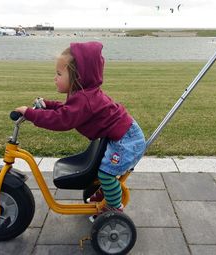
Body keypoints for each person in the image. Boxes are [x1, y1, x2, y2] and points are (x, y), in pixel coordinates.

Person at [15, 41, 146, 217]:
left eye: (59, 74)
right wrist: (48, 104)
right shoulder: (83, 95)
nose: (55, 78)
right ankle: (106, 194)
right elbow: (66, 109)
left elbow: (62, 120)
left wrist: (30, 114)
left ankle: (114, 209)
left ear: (77, 77)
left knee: (106, 174)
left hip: (126, 140)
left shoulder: (86, 99)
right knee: (104, 172)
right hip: (121, 135)